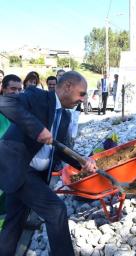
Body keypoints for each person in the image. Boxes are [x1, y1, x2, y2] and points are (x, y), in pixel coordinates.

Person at [0, 71, 97, 256]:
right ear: (67, 86)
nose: (83, 100)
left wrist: (82, 161)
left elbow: (61, 149)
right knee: (56, 210)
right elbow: (4, 102)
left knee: (14, 223)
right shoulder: (37, 96)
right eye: (82, 93)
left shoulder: (66, 117)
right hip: (17, 168)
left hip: (32, 175)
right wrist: (37, 129)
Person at [0, 74, 23, 231]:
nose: (16, 93)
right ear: (3, 89)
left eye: (19, 89)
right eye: (12, 89)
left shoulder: (20, 109)